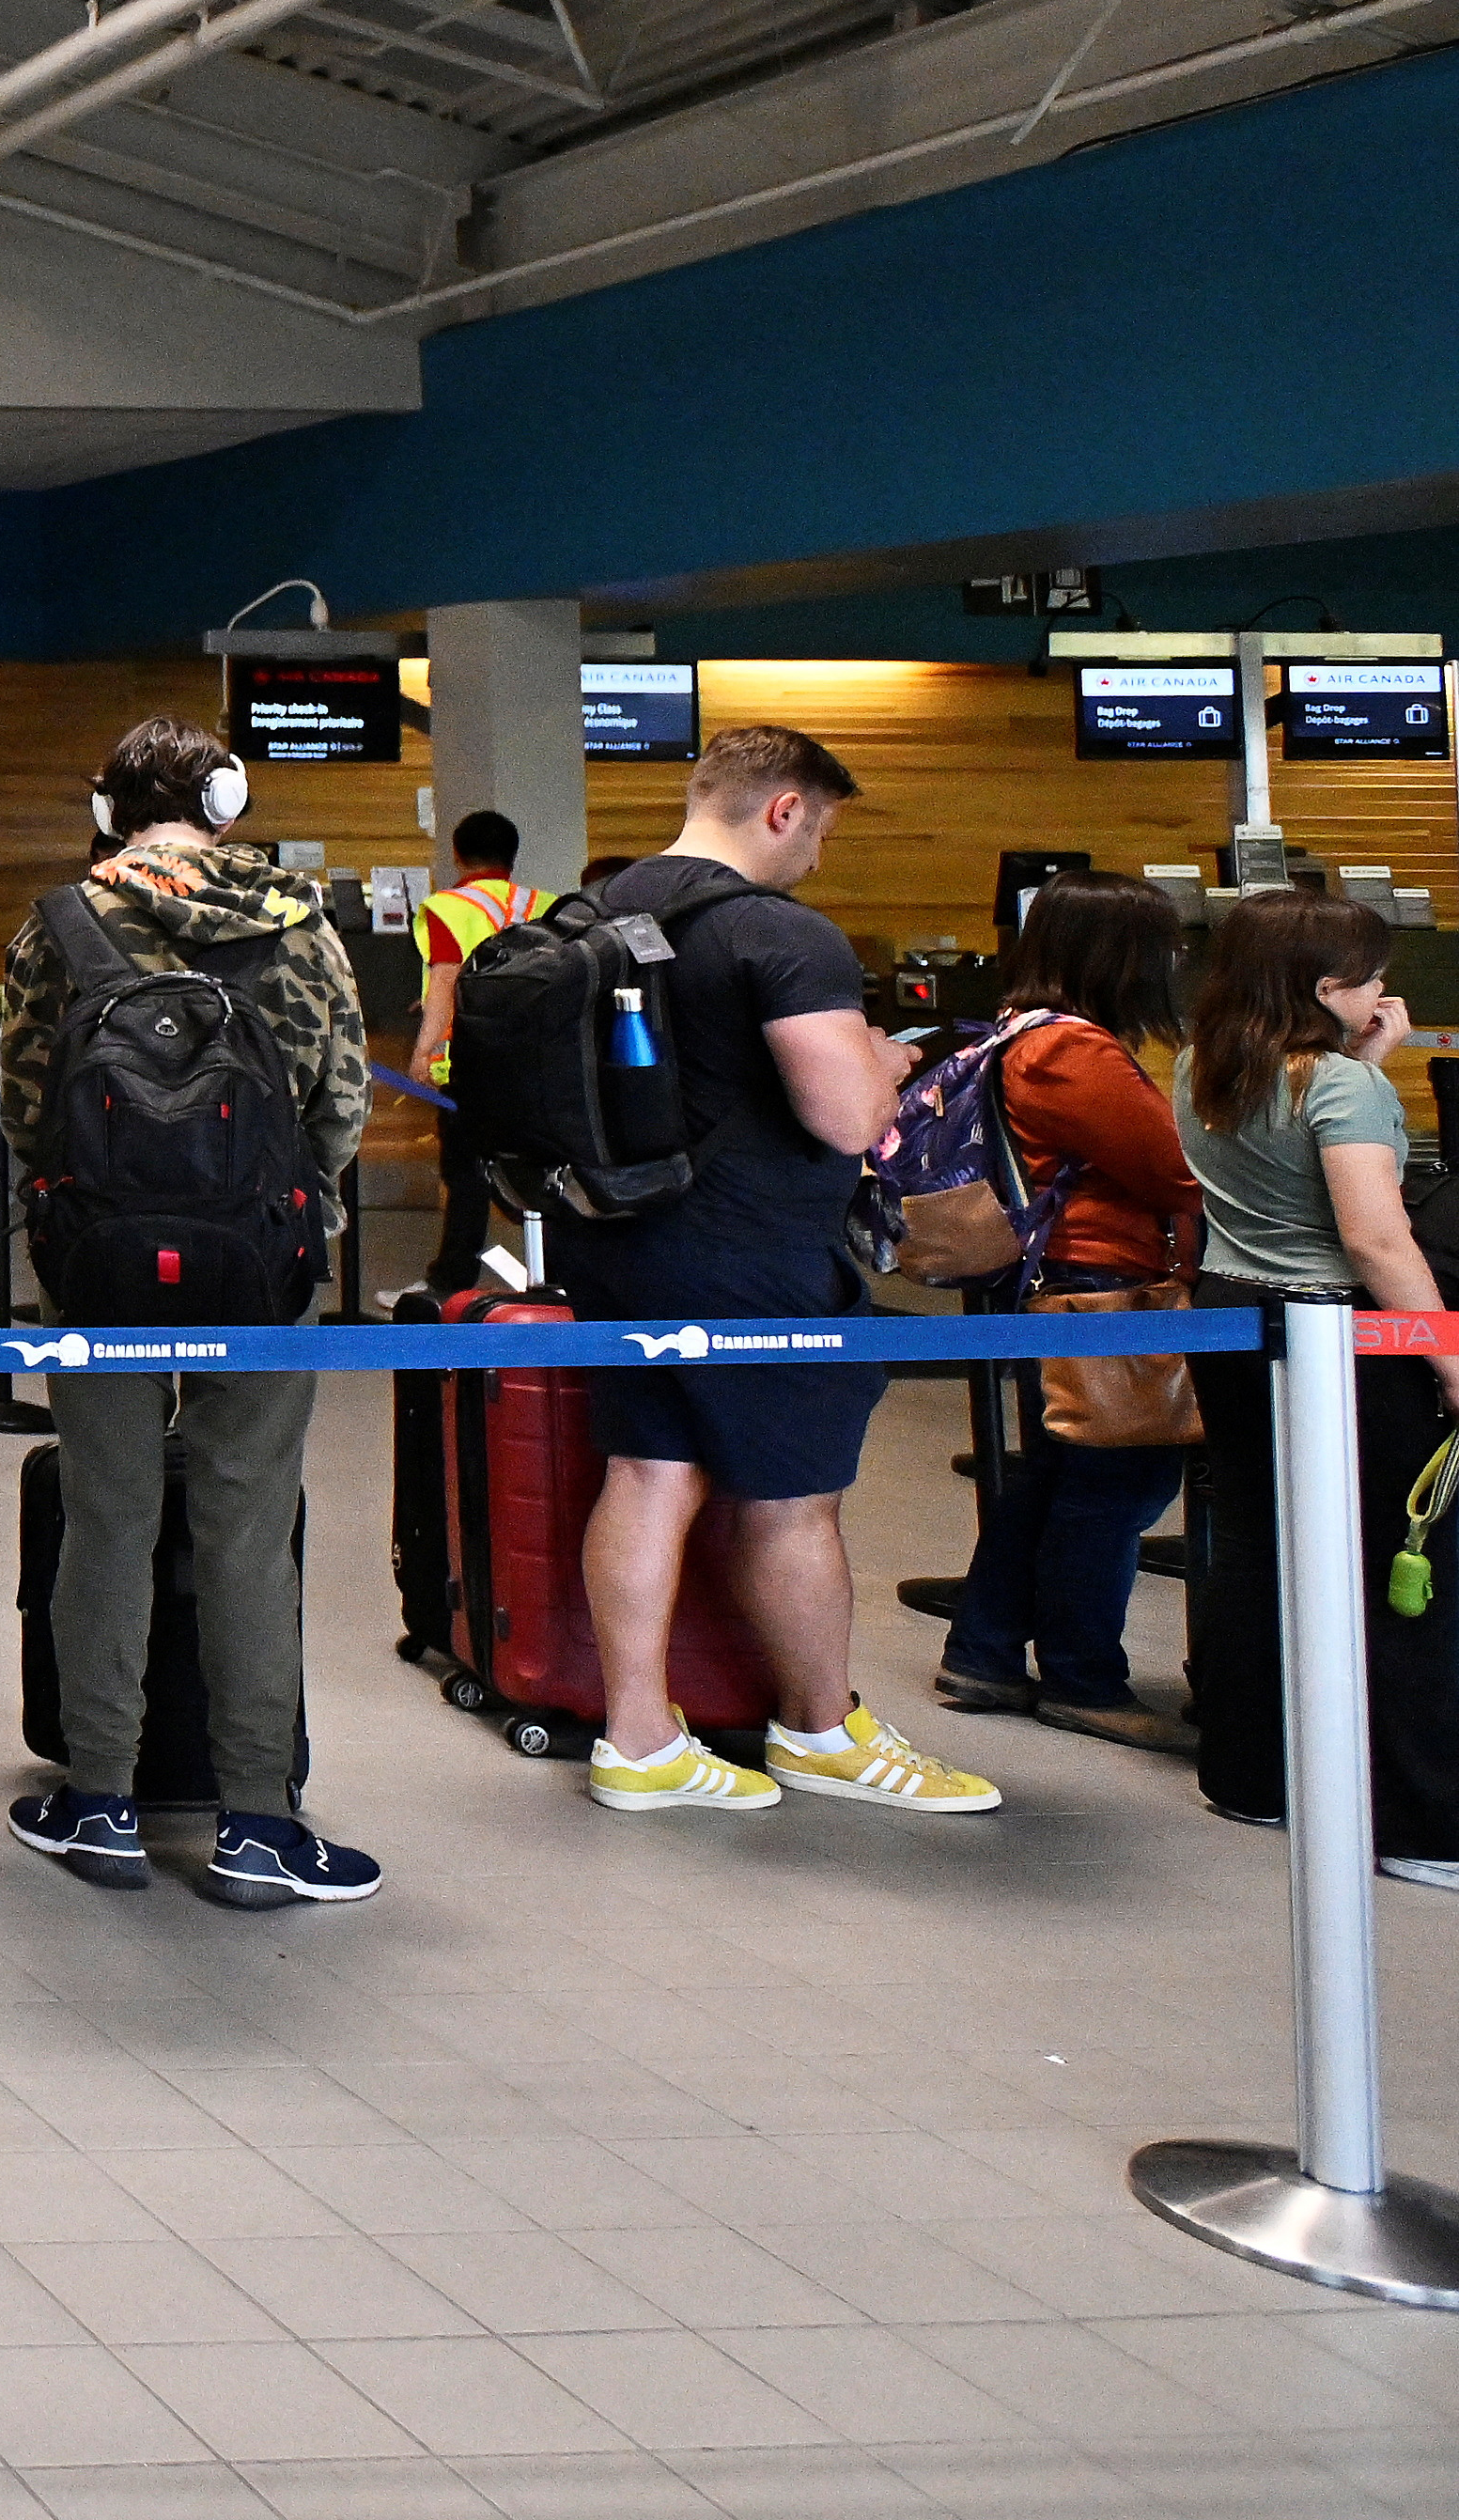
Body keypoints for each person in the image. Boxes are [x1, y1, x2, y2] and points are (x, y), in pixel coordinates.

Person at [556, 724, 999, 1821]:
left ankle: (640, 1737)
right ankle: (815, 1726)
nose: (818, 854)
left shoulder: (586, 914)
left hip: (611, 1240)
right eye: (824, 827)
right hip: (753, 1258)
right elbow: (844, 1113)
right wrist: (884, 1064)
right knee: (793, 1498)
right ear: (783, 808)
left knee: (648, 1470)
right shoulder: (780, 934)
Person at [0, 723, 386, 1909]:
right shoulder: (298, 918)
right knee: (245, 1529)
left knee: (105, 1519)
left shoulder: (59, 922)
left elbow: (25, 1102)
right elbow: (340, 1095)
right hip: (262, 1268)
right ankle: (258, 1820)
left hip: (99, 1269)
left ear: (108, 806)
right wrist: (290, 1210)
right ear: (225, 800)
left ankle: (100, 1801)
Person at [1169, 894, 1459, 1883]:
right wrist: (1445, 1353)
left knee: (1258, 1541)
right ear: (1323, 989)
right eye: (1367, 975)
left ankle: (1251, 1775)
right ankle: (1417, 1822)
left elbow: (1281, 1164)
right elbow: (1374, 1237)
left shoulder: (1204, 1060)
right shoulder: (1338, 1087)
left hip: (1233, 1314)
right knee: (1399, 1561)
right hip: (1337, 1332)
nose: (1382, 988)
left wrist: (1365, 1061)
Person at [924, 873, 1207, 1749]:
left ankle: (985, 1653)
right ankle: (1084, 1678)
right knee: (1117, 1482)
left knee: (1055, 1474)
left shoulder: (1025, 1033)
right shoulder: (1071, 1051)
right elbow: (1170, 1168)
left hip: (1064, 1279)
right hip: (1103, 1281)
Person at [405, 807, 535, 1304]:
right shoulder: (543, 903)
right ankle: (559, 1278)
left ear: (457, 854)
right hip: (532, 1058)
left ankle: (448, 1282)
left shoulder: (448, 906)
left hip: (471, 1059)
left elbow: (445, 980)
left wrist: (425, 1051)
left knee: (466, 1175)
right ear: (512, 855)